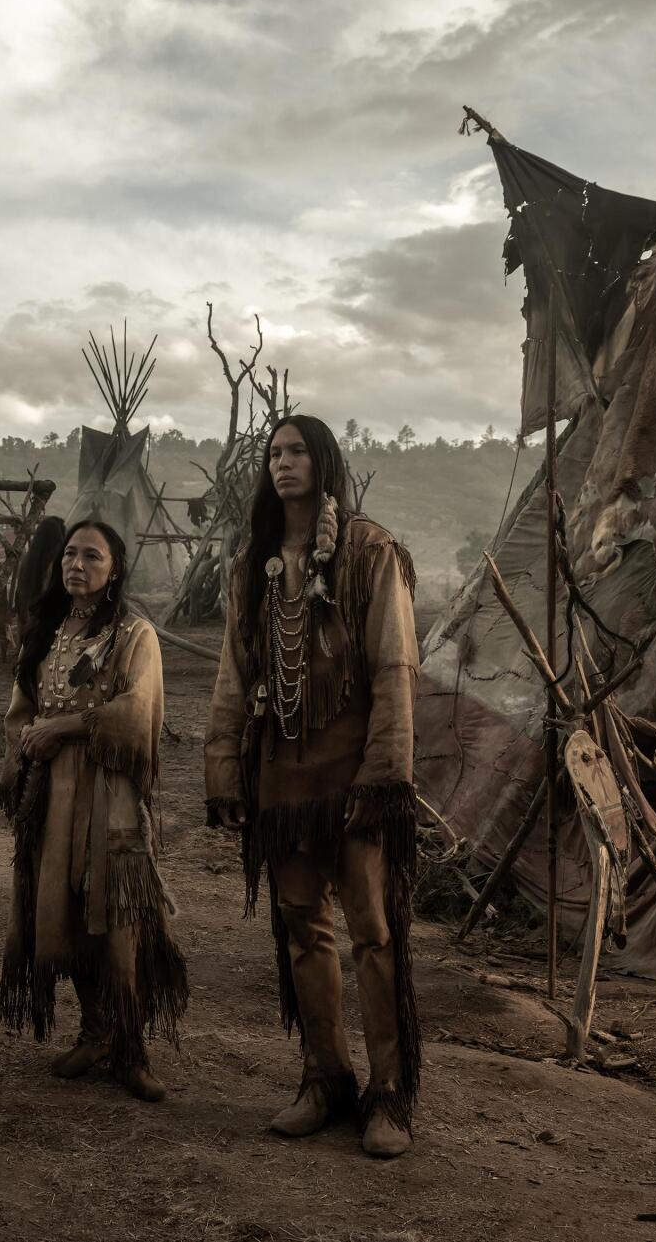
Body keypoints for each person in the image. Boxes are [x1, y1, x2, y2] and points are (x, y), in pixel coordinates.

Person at [204, 415, 423, 1159]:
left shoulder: (369, 551)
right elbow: (235, 674)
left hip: (352, 774)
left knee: (373, 930)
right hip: (283, 777)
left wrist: (385, 774)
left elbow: (395, 665)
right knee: (302, 926)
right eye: (273, 453)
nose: (282, 462)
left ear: (324, 461)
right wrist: (225, 768)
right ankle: (325, 1077)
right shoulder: (254, 561)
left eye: (297, 450)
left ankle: (388, 1093)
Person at [0, 521, 187, 1102]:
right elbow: (21, 709)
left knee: (118, 920)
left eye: (92, 556)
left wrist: (70, 727)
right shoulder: (49, 632)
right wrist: (28, 743)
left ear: (115, 569)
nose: (76, 564)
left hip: (110, 794)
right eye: (70, 554)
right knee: (64, 912)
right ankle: (96, 1031)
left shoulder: (135, 635)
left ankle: (131, 1047)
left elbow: (139, 711)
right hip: (53, 794)